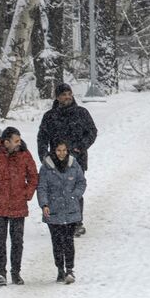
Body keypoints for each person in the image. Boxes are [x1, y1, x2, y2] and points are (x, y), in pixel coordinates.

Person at [35, 82, 98, 235]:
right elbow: (42, 138)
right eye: (64, 94)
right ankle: (58, 220)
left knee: (75, 190)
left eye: (69, 94)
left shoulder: (81, 113)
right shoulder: (50, 116)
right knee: (56, 191)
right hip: (54, 161)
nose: (67, 97)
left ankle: (76, 222)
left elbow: (92, 132)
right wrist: (44, 157)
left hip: (77, 159)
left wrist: (80, 147)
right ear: (57, 97)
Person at [0, 127, 38, 285]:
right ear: (6, 142)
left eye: (19, 140)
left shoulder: (24, 154)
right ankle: (1, 272)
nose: (19, 143)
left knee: (17, 241)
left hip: (19, 204)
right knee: (0, 240)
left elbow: (33, 176)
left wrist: (27, 193)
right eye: (16, 141)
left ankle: (16, 272)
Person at [36, 140, 86, 284]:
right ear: (54, 151)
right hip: (54, 211)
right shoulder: (46, 167)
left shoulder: (74, 164)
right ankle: (60, 269)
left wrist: (74, 195)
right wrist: (44, 204)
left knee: (69, 241)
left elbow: (81, 182)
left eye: (64, 150)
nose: (61, 153)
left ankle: (70, 269)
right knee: (57, 242)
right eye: (58, 150)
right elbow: (42, 187)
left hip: (70, 210)